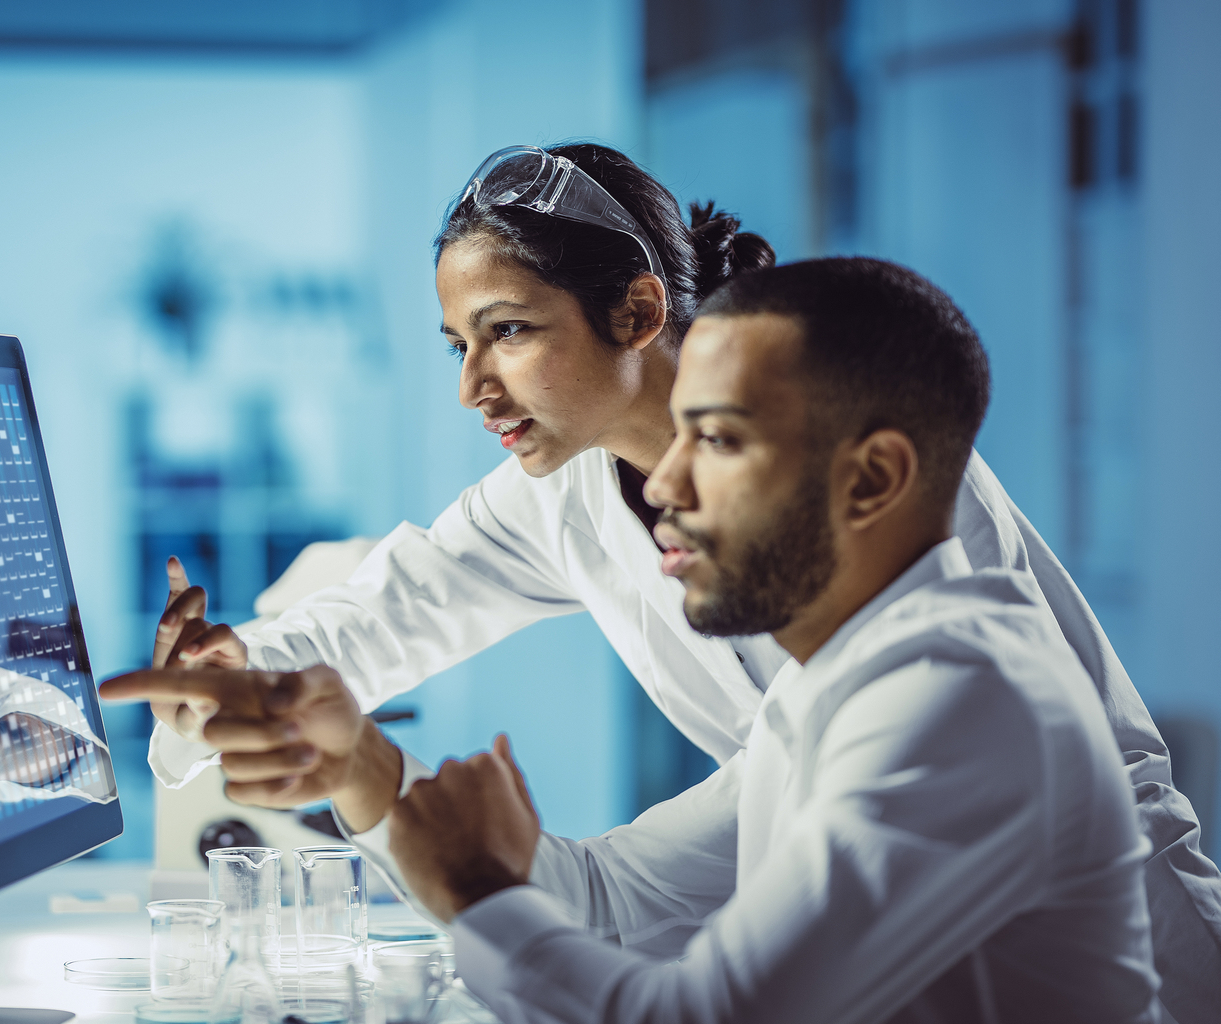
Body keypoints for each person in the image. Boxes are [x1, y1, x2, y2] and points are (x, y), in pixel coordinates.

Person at [137, 145, 1221, 1020]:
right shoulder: (801, 694)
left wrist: (473, 884)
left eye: (507, 331)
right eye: (457, 342)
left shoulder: (934, 666)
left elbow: (940, 730)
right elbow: (396, 621)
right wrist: (289, 707)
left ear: (642, 314)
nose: (673, 496)